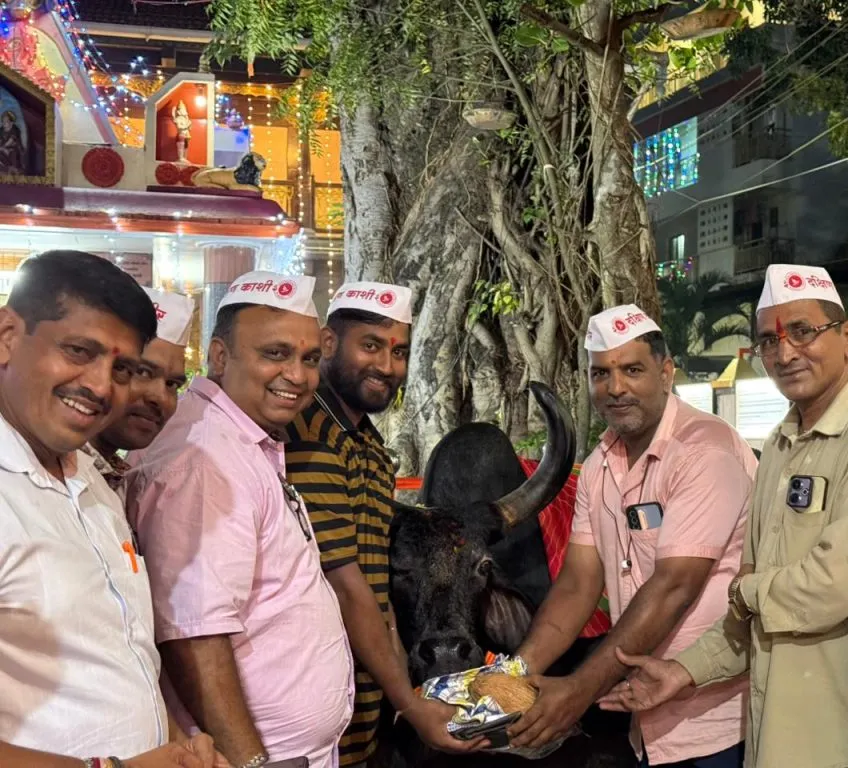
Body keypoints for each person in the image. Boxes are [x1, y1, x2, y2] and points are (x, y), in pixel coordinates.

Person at [601, 265, 848, 768]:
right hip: (768, 740)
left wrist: (745, 592)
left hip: (838, 740)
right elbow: (756, 620)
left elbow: (840, 584)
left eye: (803, 332)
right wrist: (683, 671)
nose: (785, 352)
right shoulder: (779, 445)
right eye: (769, 340)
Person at [506, 304, 756, 767]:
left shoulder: (704, 452)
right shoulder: (601, 463)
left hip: (717, 721)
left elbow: (673, 588)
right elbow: (580, 583)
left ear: (666, 373)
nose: (615, 388)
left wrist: (577, 693)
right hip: (644, 718)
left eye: (632, 370)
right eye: (601, 374)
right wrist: (513, 676)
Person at [127, 271, 355, 768]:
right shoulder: (204, 460)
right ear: (220, 356)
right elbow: (194, 634)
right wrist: (249, 762)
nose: (298, 376)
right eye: (275, 354)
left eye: (310, 359)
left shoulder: (241, 441)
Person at [0, 250, 215, 768]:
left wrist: (177, 750)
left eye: (122, 369)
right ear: (7, 335)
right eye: (79, 350)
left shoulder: (91, 479)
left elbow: (118, 656)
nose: (99, 386)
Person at [285, 282, 480, 766]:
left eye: (400, 352)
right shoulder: (311, 435)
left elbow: (378, 597)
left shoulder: (365, 444)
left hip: (364, 702)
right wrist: (413, 706)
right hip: (313, 698)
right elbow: (347, 588)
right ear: (328, 343)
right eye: (370, 345)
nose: (387, 366)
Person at [84, 287, 192, 497]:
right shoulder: (50, 472)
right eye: (142, 372)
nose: (159, 397)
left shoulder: (114, 480)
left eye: (172, 384)